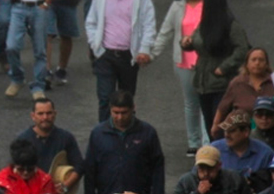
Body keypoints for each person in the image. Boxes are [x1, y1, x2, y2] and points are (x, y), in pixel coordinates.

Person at [82, 90, 165, 194]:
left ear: (133, 109)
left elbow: (157, 170)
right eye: (116, 113)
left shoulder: (147, 133)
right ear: (110, 109)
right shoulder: (98, 134)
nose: (119, 117)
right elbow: (90, 170)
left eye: (124, 113)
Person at [150, 0, 209, 155]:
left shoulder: (210, 5)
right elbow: (166, 31)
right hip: (184, 62)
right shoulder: (178, 6)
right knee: (191, 103)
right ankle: (193, 143)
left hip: (206, 62)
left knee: (205, 102)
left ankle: (206, 142)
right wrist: (152, 54)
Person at [84, 0, 156, 122]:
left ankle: (127, 135)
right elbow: (91, 22)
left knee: (126, 100)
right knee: (105, 98)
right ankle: (105, 135)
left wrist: (144, 49)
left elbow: (149, 24)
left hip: (129, 56)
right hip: (105, 55)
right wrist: (95, 46)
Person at [183, 0, 247, 136]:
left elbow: (242, 49)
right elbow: (196, 41)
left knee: (220, 125)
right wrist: (186, 43)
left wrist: (224, 67)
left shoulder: (231, 25)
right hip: (203, 82)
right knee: (209, 123)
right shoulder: (204, 25)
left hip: (222, 84)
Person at [16, 98, 84, 194]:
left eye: (49, 113)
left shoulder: (66, 138)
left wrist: (65, 186)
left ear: (55, 114)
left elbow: (79, 166)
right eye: (40, 114)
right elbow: (16, 170)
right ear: (33, 116)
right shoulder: (23, 140)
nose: (45, 117)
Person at [212, 49, 274, 143]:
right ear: (247, 64)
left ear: (267, 64)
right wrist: (215, 125)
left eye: (261, 60)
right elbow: (223, 107)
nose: (257, 63)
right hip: (242, 132)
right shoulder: (237, 83)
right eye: (253, 60)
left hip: (270, 130)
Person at [212, 111, 273, 191]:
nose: (226, 135)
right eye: (225, 130)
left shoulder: (265, 154)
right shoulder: (214, 150)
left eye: (232, 131)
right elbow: (196, 177)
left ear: (246, 132)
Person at [3, 0, 48, 100]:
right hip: (18, 7)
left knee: (40, 50)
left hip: (38, 7)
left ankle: (38, 86)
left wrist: (46, 3)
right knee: (11, 47)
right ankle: (17, 78)